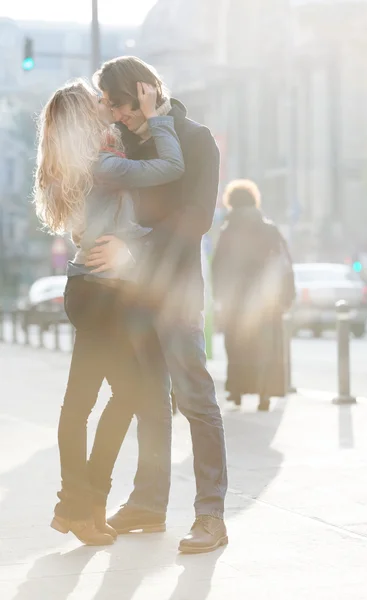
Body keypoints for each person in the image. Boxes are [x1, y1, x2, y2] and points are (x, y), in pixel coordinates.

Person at [84, 56, 228, 554]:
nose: (116, 114)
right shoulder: (126, 142)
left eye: (120, 104)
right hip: (132, 294)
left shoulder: (196, 139)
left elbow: (198, 217)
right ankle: (148, 503)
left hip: (177, 288)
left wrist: (134, 247)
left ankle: (210, 514)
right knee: (147, 397)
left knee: (194, 398)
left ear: (145, 91)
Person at [33, 78, 185, 546]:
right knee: (123, 396)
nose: (105, 105)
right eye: (96, 101)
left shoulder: (75, 164)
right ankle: (81, 505)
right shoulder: (104, 164)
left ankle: (81, 506)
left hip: (92, 291)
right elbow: (168, 170)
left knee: (87, 402)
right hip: (102, 292)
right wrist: (156, 120)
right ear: (85, 116)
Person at [212, 180, 295, 411]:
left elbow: (218, 267)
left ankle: (237, 390)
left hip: (236, 301)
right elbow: (284, 262)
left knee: (237, 346)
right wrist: (287, 295)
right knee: (266, 346)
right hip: (267, 300)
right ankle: (265, 394)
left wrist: (220, 298)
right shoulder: (269, 227)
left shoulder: (228, 230)